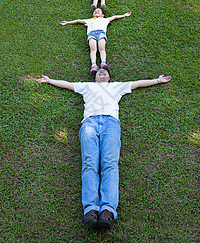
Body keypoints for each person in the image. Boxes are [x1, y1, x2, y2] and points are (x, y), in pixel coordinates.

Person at [37, 69, 171, 229]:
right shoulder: (86, 86)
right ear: (94, 77)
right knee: (89, 164)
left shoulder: (117, 86)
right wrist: (50, 80)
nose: (101, 71)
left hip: (111, 124)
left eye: (105, 71)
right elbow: (67, 85)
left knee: (109, 164)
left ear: (109, 77)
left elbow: (137, 84)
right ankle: (90, 209)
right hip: (89, 123)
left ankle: (108, 209)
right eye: (99, 71)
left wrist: (157, 80)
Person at [60, 8, 131, 73]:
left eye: (98, 11)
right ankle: (93, 65)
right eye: (95, 11)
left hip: (101, 33)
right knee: (93, 49)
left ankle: (103, 62)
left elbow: (114, 17)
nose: (96, 11)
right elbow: (78, 21)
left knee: (102, 48)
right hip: (92, 34)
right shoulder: (89, 20)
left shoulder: (105, 20)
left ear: (102, 15)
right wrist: (68, 22)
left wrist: (124, 15)